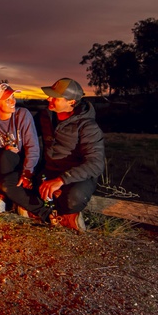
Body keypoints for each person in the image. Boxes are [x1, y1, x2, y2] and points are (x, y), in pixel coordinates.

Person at [32, 77, 105, 231]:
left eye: (55, 97)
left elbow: (96, 163)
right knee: (21, 185)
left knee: (74, 198)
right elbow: (27, 132)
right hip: (50, 169)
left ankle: (64, 214)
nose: (49, 99)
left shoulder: (88, 126)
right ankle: (55, 213)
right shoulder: (45, 116)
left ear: (71, 102)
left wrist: (61, 180)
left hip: (76, 175)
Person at [0, 80, 40, 213]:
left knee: (6, 155)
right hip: (1, 169)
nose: (13, 102)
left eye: (13, 98)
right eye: (7, 100)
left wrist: (28, 172)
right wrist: (4, 149)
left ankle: (2, 197)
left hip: (20, 167)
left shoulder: (22, 115)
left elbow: (32, 146)